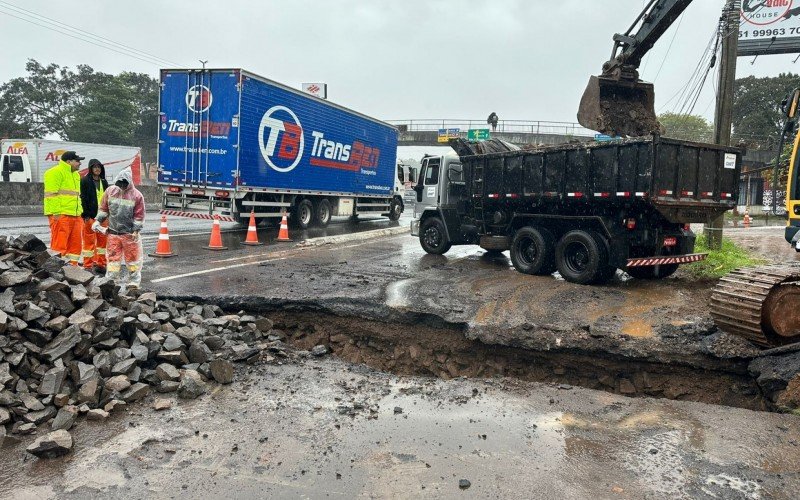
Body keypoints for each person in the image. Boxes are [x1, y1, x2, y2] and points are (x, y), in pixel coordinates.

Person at [93, 167, 145, 289]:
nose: (122, 186)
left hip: (129, 234)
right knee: (113, 260)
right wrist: (97, 221)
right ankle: (111, 282)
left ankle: (133, 282)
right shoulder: (110, 191)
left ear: (129, 182)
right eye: (120, 183)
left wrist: (136, 230)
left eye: (124, 183)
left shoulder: (137, 196)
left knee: (133, 260)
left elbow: (139, 215)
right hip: (113, 233)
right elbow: (104, 208)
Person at [43, 151, 84, 265]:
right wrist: (56, 214)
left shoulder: (75, 174)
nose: (79, 163)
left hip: (75, 215)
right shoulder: (54, 172)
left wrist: (79, 212)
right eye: (77, 161)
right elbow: (51, 195)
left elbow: (76, 196)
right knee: (59, 245)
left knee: (75, 246)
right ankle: (57, 271)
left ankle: (73, 271)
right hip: (61, 214)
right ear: (68, 162)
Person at [80, 159, 109, 273]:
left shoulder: (104, 182)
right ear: (90, 168)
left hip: (102, 217)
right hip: (90, 217)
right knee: (89, 242)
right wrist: (86, 214)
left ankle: (101, 264)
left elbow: (108, 199)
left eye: (99, 167)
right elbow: (83, 198)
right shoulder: (85, 181)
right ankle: (88, 266)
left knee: (102, 243)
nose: (97, 169)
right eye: (95, 167)